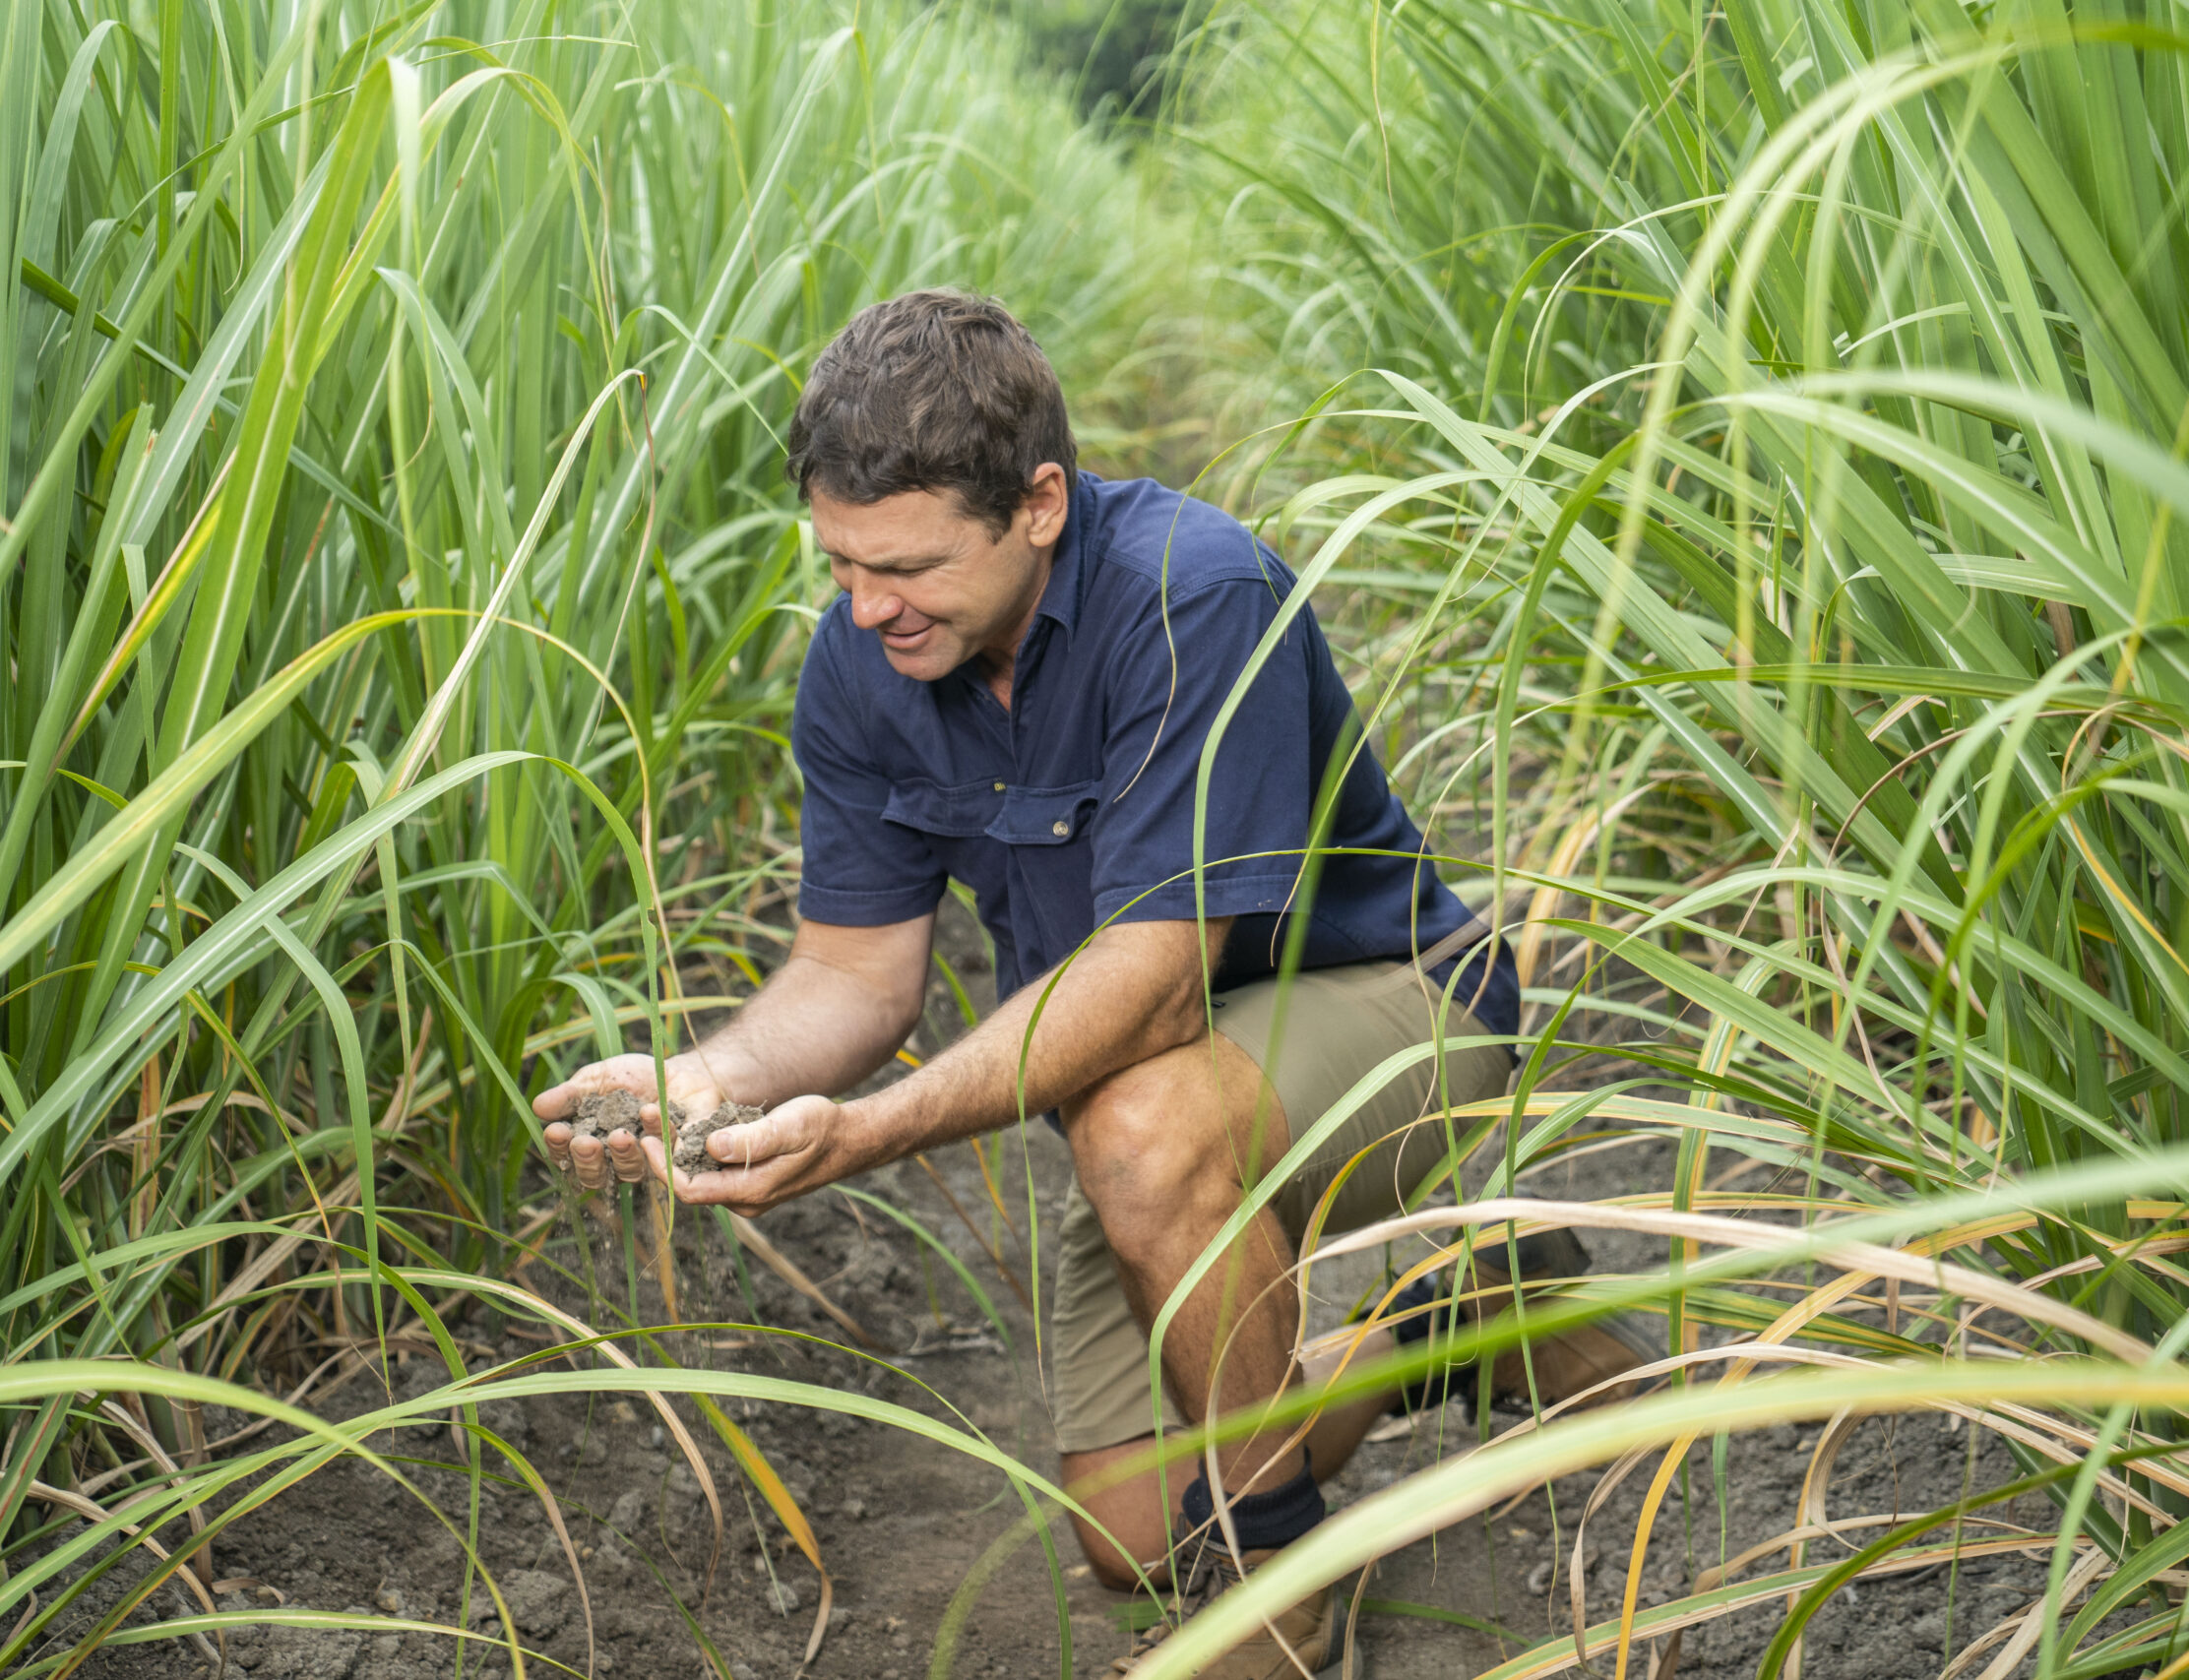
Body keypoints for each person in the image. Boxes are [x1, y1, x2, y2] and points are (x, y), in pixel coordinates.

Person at [537, 290, 1638, 1678]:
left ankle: (1275, 1615)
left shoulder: (1195, 593)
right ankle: (1458, 1318)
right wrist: (716, 1078)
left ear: (1040, 503)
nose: (867, 605)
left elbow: (1160, 986)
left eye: (911, 566)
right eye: (840, 563)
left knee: (1134, 1132)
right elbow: (853, 972)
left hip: (1400, 1008)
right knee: (1132, 1541)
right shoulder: (864, 664)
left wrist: (873, 1129)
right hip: (1159, 1090)